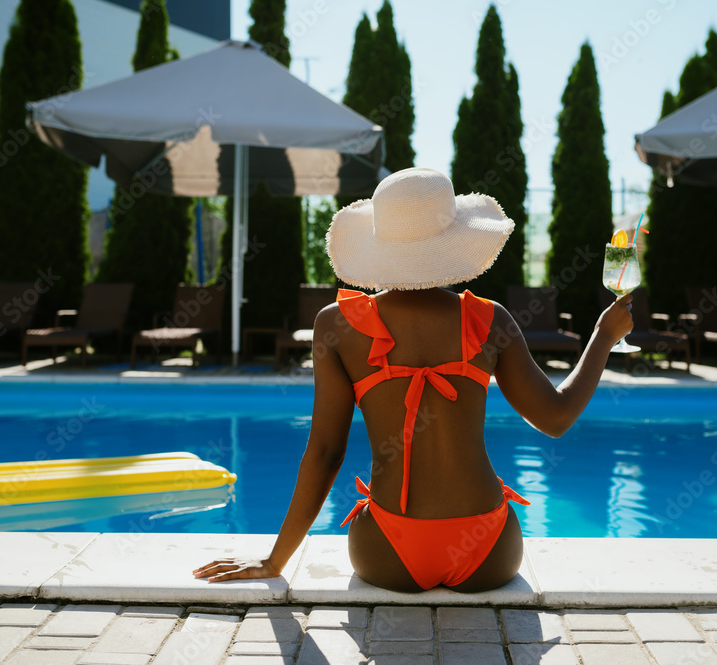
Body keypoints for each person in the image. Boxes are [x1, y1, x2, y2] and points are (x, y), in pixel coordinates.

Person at [192, 167, 633, 592]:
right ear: (454, 239)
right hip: (489, 547)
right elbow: (555, 417)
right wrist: (603, 336)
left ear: (380, 241)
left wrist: (275, 560)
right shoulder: (488, 320)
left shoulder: (337, 326)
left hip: (387, 549)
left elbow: (326, 453)